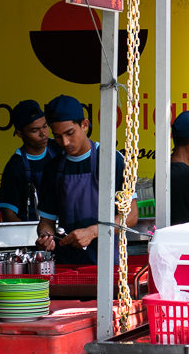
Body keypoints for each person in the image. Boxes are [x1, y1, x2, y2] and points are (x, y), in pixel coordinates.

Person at [35, 95, 138, 264]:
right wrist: (45, 236)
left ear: (84, 124)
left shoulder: (111, 160)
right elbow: (47, 221)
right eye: (58, 136)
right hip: (67, 265)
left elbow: (131, 216)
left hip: (108, 264)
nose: (65, 142)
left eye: (70, 133)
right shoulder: (53, 168)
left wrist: (94, 231)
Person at [0, 100, 60, 222]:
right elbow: (8, 215)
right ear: (20, 134)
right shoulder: (15, 167)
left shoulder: (59, 148)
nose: (43, 134)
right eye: (35, 130)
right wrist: (31, 236)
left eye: (45, 126)